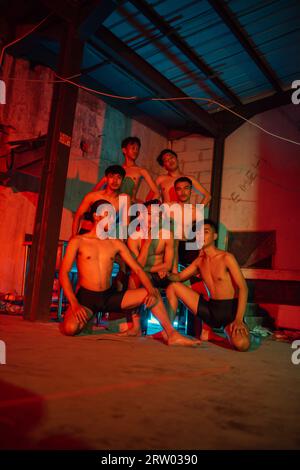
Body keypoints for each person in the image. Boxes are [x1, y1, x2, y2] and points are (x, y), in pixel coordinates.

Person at [59, 199, 199, 347]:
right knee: (70, 329)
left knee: (152, 293)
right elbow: (63, 273)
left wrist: (151, 291)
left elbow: (138, 269)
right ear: (96, 216)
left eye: (113, 216)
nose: (112, 220)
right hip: (86, 298)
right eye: (108, 215)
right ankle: (88, 317)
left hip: (108, 296)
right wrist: (74, 303)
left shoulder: (115, 243)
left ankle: (172, 334)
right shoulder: (79, 241)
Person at [165, 219, 250, 351]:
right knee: (173, 287)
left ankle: (212, 333)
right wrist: (166, 272)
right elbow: (179, 277)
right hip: (210, 310)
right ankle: (169, 332)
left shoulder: (226, 258)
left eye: (205, 232)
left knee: (242, 344)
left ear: (214, 236)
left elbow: (243, 288)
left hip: (230, 313)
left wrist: (238, 319)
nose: (201, 235)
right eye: (198, 233)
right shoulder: (199, 261)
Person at [124, 199, 175, 335]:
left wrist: (157, 269)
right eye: (148, 214)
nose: (151, 218)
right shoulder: (134, 237)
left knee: (139, 275)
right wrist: (146, 244)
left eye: (155, 214)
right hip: (143, 274)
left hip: (160, 276)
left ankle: (168, 329)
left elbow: (168, 264)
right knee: (134, 278)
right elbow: (137, 267)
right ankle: (136, 327)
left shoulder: (167, 236)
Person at [93, 137, 159, 202]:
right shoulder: (116, 170)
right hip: (113, 207)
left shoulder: (141, 171)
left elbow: (156, 192)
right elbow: (95, 190)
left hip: (130, 208)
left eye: (137, 149)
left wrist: (148, 207)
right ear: (124, 150)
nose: (135, 151)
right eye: (133, 148)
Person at [72, 165, 130, 237]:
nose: (115, 181)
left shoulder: (124, 199)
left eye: (119, 177)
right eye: (111, 176)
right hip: (87, 235)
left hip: (105, 239)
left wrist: (121, 243)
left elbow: (125, 225)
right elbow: (78, 216)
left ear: (122, 181)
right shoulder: (93, 196)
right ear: (106, 178)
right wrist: (74, 237)